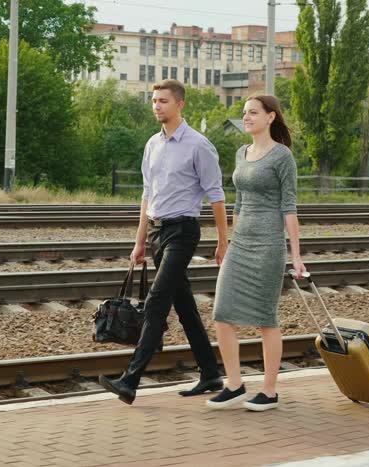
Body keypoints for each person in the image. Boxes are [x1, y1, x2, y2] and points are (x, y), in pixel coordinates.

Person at [99, 79, 228, 405]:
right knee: (184, 306)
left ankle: (130, 381)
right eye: (154, 101)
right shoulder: (152, 145)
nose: (157, 106)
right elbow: (147, 195)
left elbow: (217, 197)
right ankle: (211, 373)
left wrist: (223, 242)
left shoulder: (199, 146)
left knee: (157, 301)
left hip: (183, 232)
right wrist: (139, 241)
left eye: (163, 101)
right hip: (156, 232)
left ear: (180, 104)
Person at [206, 94, 306, 411]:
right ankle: (234, 386)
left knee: (265, 318)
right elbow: (238, 202)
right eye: (245, 112)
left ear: (270, 117)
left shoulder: (282, 157)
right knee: (222, 312)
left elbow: (289, 208)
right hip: (242, 244)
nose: (246, 117)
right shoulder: (241, 152)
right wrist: (230, 241)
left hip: (268, 245)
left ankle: (270, 390)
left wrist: (297, 255)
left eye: (253, 112)